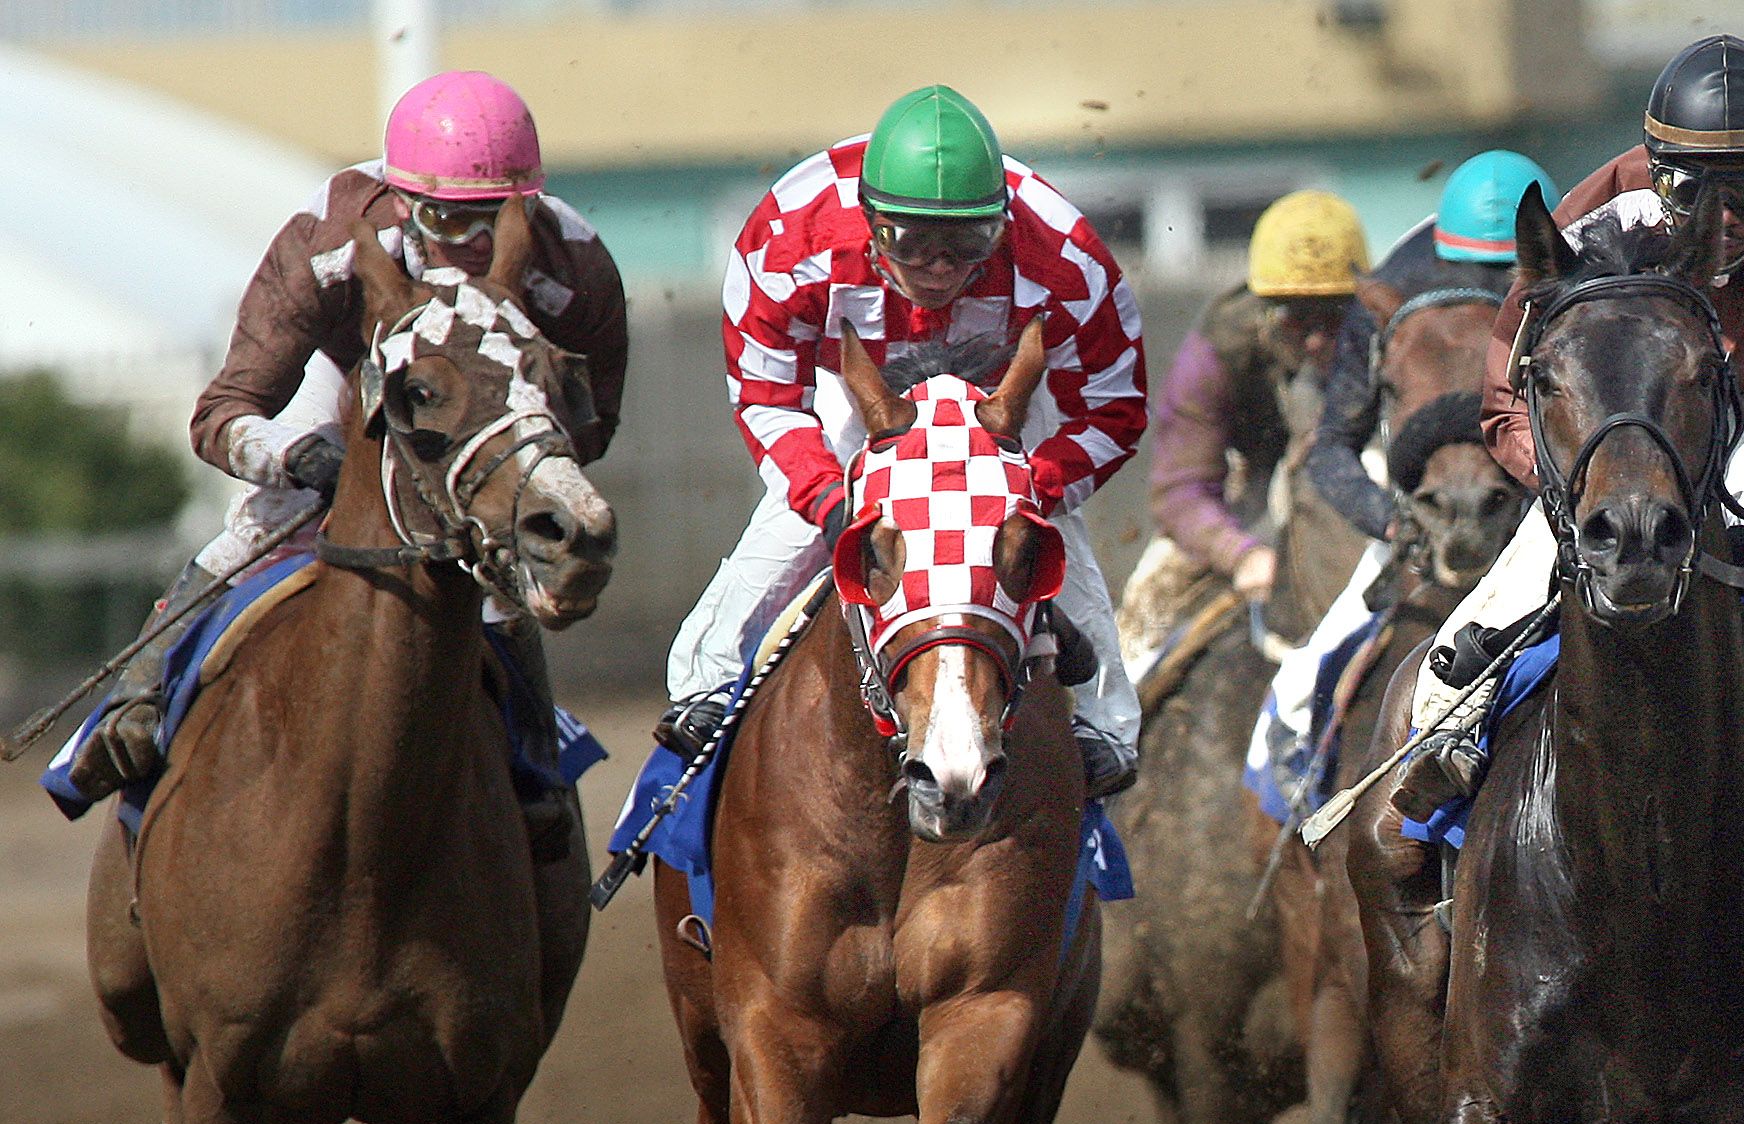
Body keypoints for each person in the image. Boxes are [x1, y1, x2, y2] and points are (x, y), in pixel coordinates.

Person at [1399, 36, 1744, 874]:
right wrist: (1569, 497)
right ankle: (1441, 748)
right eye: (1693, 189)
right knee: (1509, 589)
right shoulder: (1588, 226)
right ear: (1657, 172)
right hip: (1634, 411)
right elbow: (1506, 402)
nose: (1723, 219)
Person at [61, 70, 628, 805]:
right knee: (260, 519)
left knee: (500, 583)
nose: (478, 248)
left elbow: (592, 426)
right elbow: (221, 415)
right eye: (454, 223)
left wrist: (490, 490)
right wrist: (300, 455)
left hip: (484, 414)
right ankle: (134, 700)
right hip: (344, 380)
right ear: (404, 204)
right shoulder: (323, 242)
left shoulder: (574, 270)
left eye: (497, 218)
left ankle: (538, 764)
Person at [660, 85, 1146, 794]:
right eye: (911, 242)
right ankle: (700, 682)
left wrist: (1020, 486)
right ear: (868, 222)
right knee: (791, 525)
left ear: (1004, 225)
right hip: (856, 394)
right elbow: (769, 398)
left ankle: (1106, 722)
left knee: (1040, 526)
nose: (940, 268)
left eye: (967, 244)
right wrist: (831, 503)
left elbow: (1111, 408)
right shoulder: (788, 238)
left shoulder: (1067, 258)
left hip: (1001, 403)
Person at [1256, 150, 1552, 788]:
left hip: (1543, 493)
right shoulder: (1390, 296)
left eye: (1514, 271)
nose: (1500, 289)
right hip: (1418, 495)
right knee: (1313, 664)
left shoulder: (1571, 280)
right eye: (1484, 268)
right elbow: (1333, 445)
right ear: (1449, 254)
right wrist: (1389, 519)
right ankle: (1289, 751)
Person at [1112, 191, 1366, 671]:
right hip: (1246, 511)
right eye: (1295, 317)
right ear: (1263, 306)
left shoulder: (1392, 334)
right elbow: (1180, 490)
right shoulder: (1220, 347)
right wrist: (1240, 554)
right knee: (1139, 635)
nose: (1314, 339)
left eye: (1333, 316)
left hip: (1360, 516)